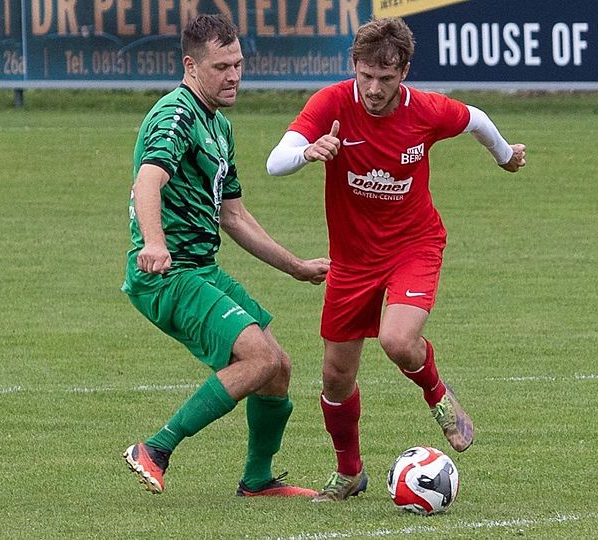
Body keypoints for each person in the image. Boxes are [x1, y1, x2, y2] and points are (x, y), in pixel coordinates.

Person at [266, 17, 527, 502]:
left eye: (385, 79)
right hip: (351, 261)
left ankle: (439, 398)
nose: (373, 89)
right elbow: (274, 162)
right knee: (335, 377)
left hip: (414, 244)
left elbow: (475, 118)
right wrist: (309, 151)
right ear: (354, 67)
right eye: (365, 76)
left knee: (397, 340)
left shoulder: (425, 110)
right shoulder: (332, 104)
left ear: (404, 71)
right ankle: (349, 473)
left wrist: (504, 155)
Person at [121, 14, 329, 498]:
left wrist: (295, 266)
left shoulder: (218, 125)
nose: (234, 75)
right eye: (222, 66)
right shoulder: (177, 115)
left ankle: (257, 481)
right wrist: (154, 242)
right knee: (256, 358)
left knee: (277, 366)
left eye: (238, 63)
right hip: (167, 275)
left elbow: (233, 217)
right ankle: (155, 448)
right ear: (191, 66)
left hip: (202, 271)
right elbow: (148, 179)